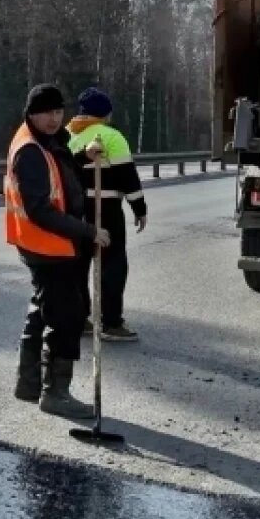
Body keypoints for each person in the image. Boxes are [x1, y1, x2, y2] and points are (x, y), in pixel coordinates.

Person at [6, 83, 109, 419]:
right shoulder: (30, 151)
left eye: (57, 111)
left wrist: (83, 157)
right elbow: (40, 209)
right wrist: (88, 231)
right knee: (67, 316)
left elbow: (62, 175)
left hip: (47, 244)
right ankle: (56, 393)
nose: (53, 119)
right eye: (46, 112)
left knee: (43, 309)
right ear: (31, 113)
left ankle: (30, 383)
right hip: (47, 246)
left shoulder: (46, 142)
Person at [67, 87, 147, 342]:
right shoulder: (111, 136)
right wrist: (139, 208)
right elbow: (127, 177)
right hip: (106, 208)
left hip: (76, 210)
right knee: (112, 264)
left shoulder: (68, 135)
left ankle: (79, 319)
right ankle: (110, 322)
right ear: (106, 114)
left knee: (79, 265)